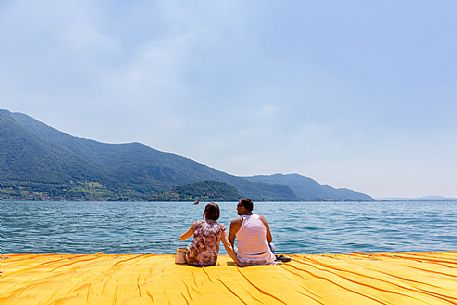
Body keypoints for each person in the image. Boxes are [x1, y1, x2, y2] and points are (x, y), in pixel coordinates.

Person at [229, 198, 276, 265]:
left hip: (244, 260)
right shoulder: (261, 219)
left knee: (235, 248)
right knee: (272, 245)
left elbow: (230, 244)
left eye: (238, 206)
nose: (236, 208)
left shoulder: (234, 223)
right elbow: (269, 239)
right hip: (264, 259)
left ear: (243, 207)